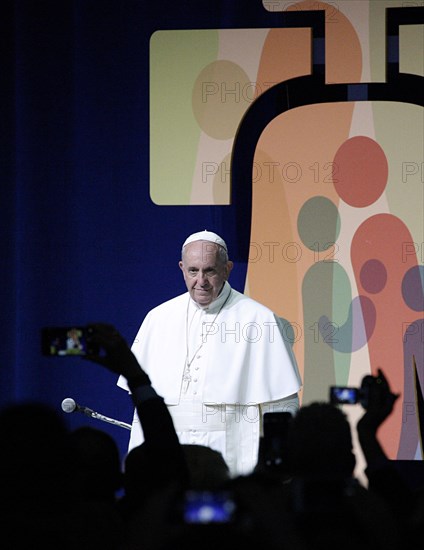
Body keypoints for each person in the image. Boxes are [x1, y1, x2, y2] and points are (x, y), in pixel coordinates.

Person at [118, 229, 302, 476]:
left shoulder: (259, 319)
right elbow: (141, 406)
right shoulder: (158, 318)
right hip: (170, 452)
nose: (201, 281)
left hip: (231, 450)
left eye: (210, 271)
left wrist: (279, 464)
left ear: (227, 269)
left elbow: (282, 404)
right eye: (193, 271)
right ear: (182, 268)